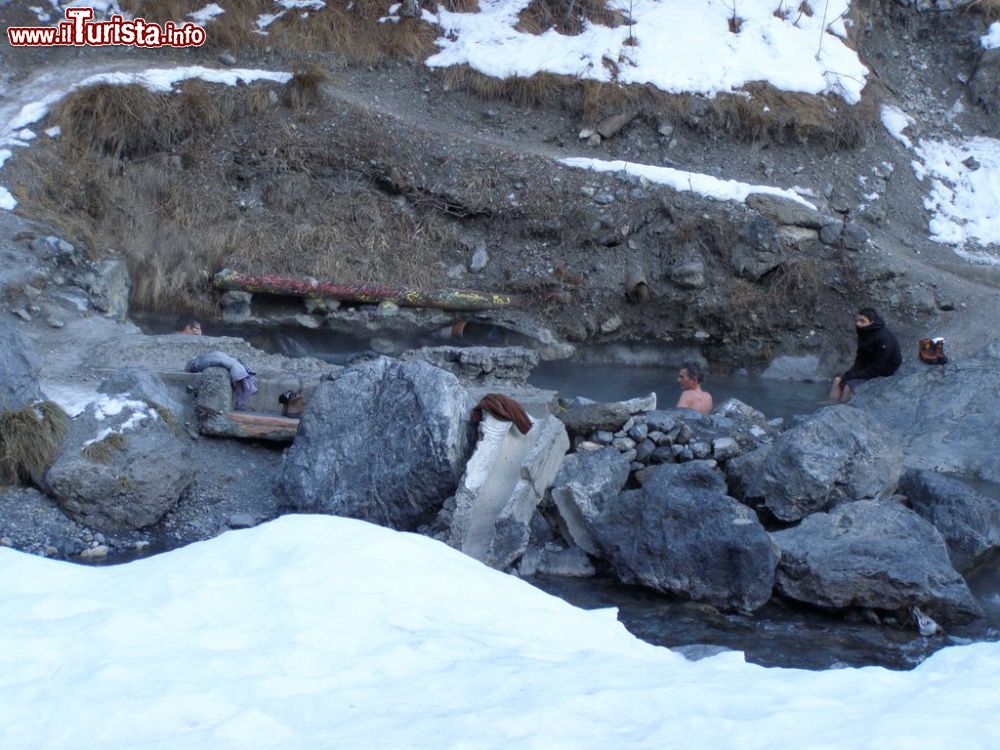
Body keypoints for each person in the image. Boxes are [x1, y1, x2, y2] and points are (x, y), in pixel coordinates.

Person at [829, 307, 901, 403]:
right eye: (857, 320)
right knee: (838, 380)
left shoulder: (883, 338)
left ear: (871, 322)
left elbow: (879, 366)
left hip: (885, 370)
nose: (858, 324)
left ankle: (841, 408)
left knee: (848, 386)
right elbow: (860, 358)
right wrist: (850, 373)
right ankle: (831, 402)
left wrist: (855, 375)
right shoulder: (865, 333)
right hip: (869, 366)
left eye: (862, 321)